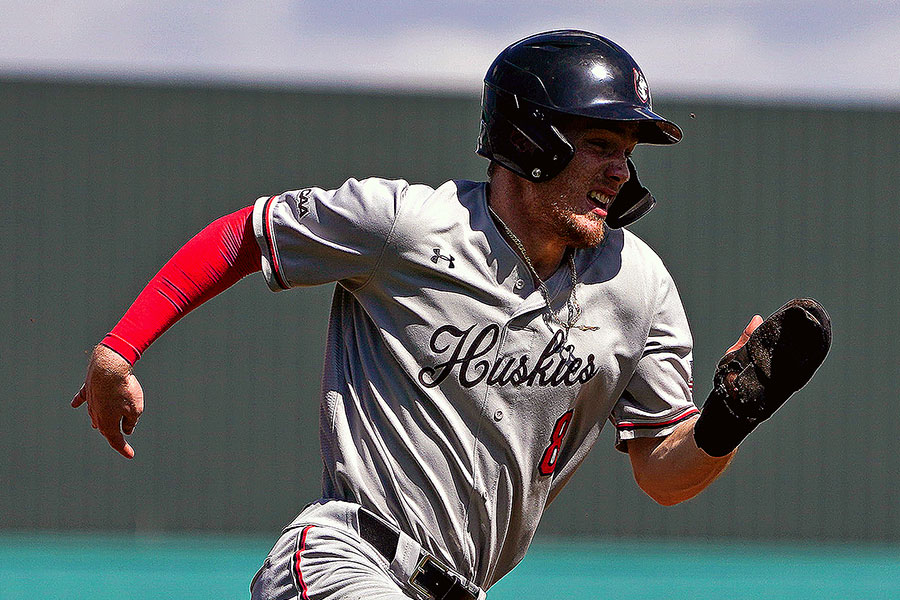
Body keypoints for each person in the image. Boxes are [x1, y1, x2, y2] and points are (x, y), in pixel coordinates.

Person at [72, 30, 830, 600]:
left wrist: (730, 419)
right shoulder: (409, 224)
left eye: (628, 150)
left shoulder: (638, 285)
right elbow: (244, 234)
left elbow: (664, 475)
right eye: (601, 142)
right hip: (348, 562)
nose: (621, 169)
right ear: (530, 138)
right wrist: (119, 350)